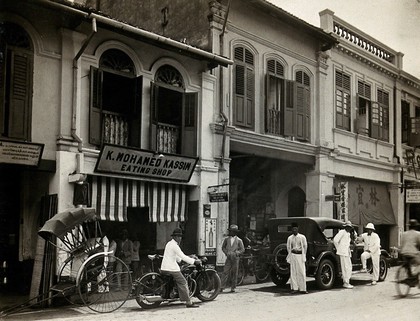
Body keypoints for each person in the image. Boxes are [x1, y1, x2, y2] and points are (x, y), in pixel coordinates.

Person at [161, 227, 201, 308]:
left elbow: (177, 257)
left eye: (180, 237)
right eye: (178, 237)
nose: (180, 239)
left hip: (164, 267)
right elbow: (182, 256)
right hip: (171, 268)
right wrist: (194, 261)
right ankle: (188, 302)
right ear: (175, 237)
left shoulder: (169, 244)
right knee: (183, 282)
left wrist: (188, 257)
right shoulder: (175, 246)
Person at [221, 224, 245, 293]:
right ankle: (222, 287)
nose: (230, 232)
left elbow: (242, 249)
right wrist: (226, 252)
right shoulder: (226, 239)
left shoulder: (239, 240)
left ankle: (233, 287)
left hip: (235, 258)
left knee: (235, 273)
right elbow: (223, 247)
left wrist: (237, 253)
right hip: (228, 258)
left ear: (234, 232)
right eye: (230, 231)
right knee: (225, 272)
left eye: (231, 231)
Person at [286, 222, 308, 294]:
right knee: (293, 272)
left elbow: (305, 246)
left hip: (300, 256)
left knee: (301, 272)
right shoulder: (290, 238)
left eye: (295, 229)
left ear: (298, 229)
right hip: (293, 256)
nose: (294, 230)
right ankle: (294, 288)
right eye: (293, 229)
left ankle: (303, 288)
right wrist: (291, 253)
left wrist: (303, 254)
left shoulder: (302, 237)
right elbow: (288, 247)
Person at [333, 221, 354, 289]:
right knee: (345, 267)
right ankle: (346, 282)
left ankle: (347, 281)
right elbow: (335, 240)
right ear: (346, 227)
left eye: (350, 227)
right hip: (343, 252)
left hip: (347, 252)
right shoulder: (342, 232)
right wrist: (339, 249)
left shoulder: (348, 234)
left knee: (349, 267)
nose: (349, 228)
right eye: (348, 227)